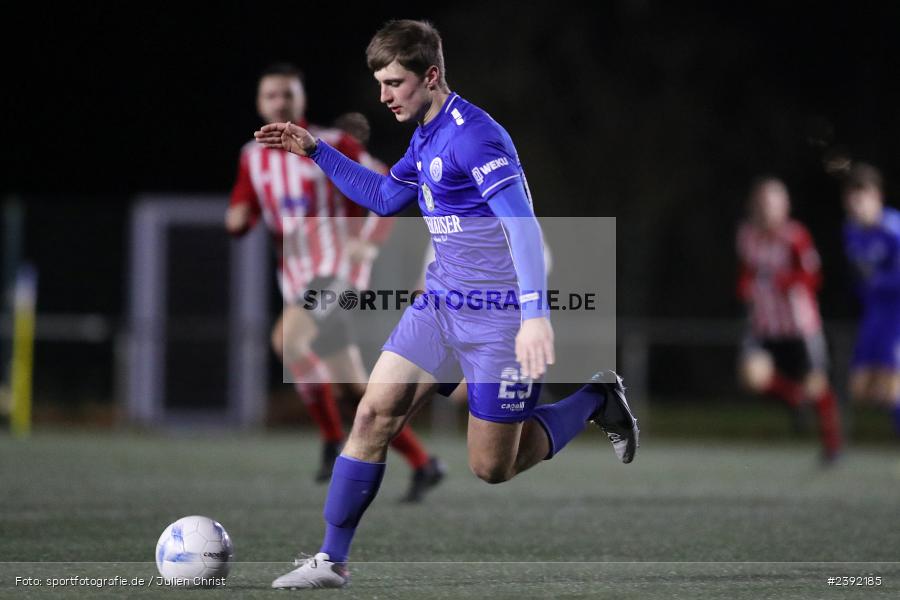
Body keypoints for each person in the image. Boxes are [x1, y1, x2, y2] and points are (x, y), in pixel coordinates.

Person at [254, 20, 639, 589]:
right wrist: (316, 151)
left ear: (430, 76)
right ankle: (330, 560)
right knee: (371, 414)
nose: (383, 96)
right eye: (379, 83)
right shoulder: (426, 135)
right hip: (439, 305)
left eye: (394, 83)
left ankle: (596, 399)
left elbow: (525, 229)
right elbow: (385, 197)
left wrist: (535, 315)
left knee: (492, 467)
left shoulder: (474, 138)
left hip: (499, 321)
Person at [227, 63, 445, 501]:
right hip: (295, 281)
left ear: (301, 99)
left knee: (286, 341)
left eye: (288, 94)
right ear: (259, 103)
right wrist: (238, 219)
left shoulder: (331, 143)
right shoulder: (252, 159)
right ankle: (424, 464)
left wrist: (369, 241)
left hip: (336, 274)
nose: (280, 103)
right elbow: (243, 209)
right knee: (353, 392)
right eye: (271, 96)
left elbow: (389, 185)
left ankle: (330, 440)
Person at [735, 177, 842, 462]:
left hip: (799, 325)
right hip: (764, 324)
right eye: (762, 204)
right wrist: (745, 285)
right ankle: (795, 398)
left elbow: (813, 277)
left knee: (817, 384)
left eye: (773, 204)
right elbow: (747, 271)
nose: (767, 210)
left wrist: (784, 282)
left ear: (785, 206)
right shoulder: (746, 234)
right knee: (751, 376)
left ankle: (832, 446)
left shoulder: (795, 236)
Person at [841, 163, 900, 436]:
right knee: (860, 389)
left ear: (877, 197)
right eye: (851, 202)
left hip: (896, 315)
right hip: (874, 314)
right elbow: (859, 279)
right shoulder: (851, 231)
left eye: (861, 201)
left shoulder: (894, 230)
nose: (856, 208)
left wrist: (879, 283)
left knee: (890, 391)